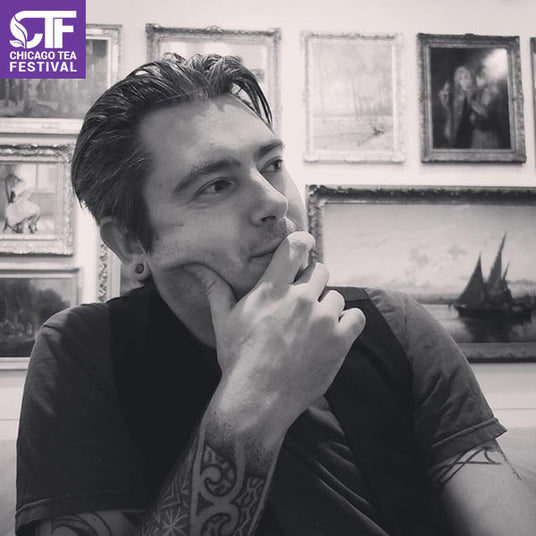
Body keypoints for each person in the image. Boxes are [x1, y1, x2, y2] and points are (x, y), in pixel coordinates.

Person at [16, 54, 536, 536]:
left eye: (271, 164)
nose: (275, 201)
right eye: (216, 185)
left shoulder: (392, 323)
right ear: (132, 241)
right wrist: (253, 403)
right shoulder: (87, 350)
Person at [437, 65, 474, 148]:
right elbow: (447, 105)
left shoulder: (474, 94)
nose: (464, 81)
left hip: (471, 132)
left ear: (470, 79)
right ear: (458, 81)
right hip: (456, 131)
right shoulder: (456, 95)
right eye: (461, 79)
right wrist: (444, 95)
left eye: (466, 77)